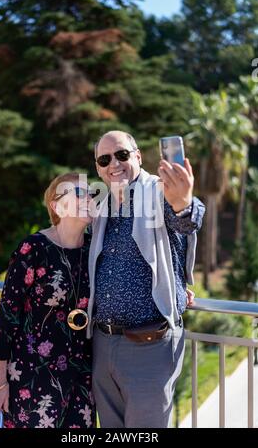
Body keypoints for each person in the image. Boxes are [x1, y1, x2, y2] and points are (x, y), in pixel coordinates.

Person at [86, 130, 205, 428]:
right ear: (98, 168)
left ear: (138, 156)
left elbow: (187, 219)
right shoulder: (101, 207)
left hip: (149, 346)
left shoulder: (158, 191)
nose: (114, 163)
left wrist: (184, 201)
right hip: (102, 344)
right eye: (105, 159)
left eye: (122, 155)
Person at [0, 173, 96, 428]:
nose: (88, 198)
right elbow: (6, 317)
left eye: (90, 193)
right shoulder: (33, 249)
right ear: (57, 206)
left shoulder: (95, 249)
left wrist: (177, 289)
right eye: (78, 193)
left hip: (82, 378)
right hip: (32, 376)